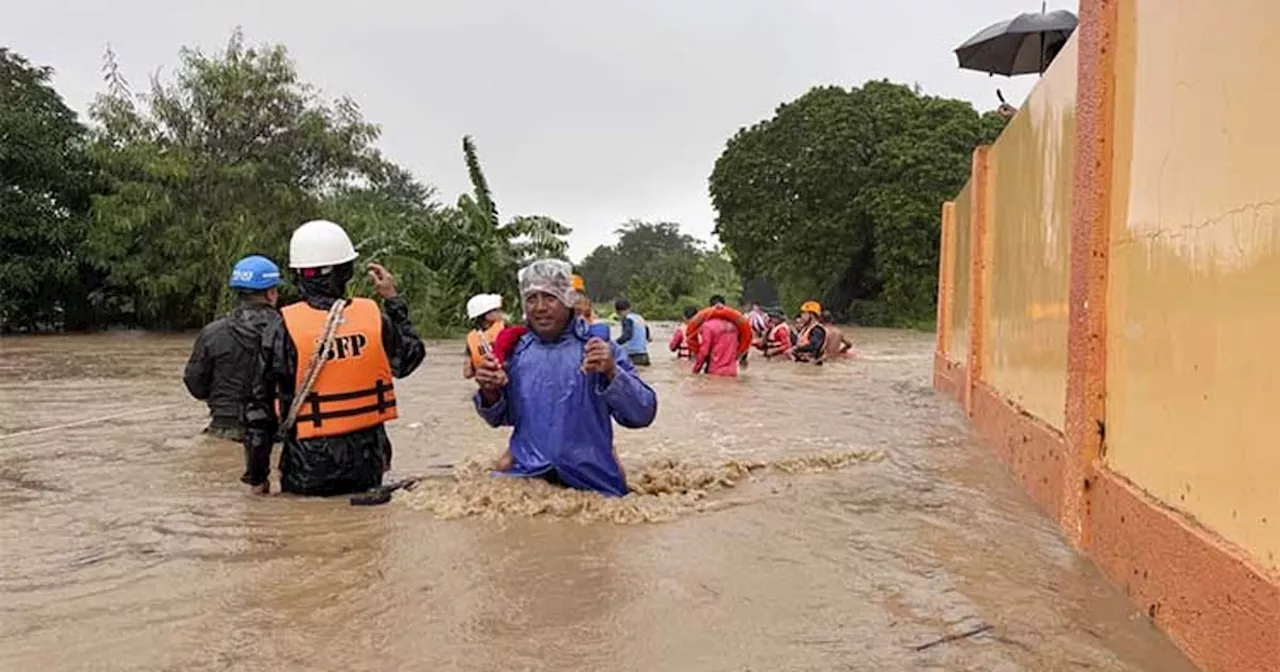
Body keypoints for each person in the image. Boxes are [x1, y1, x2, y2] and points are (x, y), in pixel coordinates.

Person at [241, 220, 425, 496]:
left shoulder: (282, 327)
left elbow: (259, 411)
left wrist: (257, 476)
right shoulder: (374, 316)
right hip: (369, 462)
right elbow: (409, 358)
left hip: (307, 466)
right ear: (347, 272)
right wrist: (393, 299)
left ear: (299, 275)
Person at [473, 259, 657, 497]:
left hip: (591, 479)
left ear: (568, 300)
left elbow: (643, 413)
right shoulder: (516, 352)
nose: (539, 307)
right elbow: (501, 418)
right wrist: (489, 392)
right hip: (527, 476)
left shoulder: (598, 348)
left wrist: (612, 372)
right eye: (531, 299)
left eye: (550, 297)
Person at [183, 255, 283, 441]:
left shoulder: (212, 332)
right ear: (270, 293)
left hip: (223, 427)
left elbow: (195, 383)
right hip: (272, 429)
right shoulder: (289, 330)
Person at [692, 305, 742, 377]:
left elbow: (704, 351)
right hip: (732, 372)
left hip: (715, 372)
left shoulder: (708, 326)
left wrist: (695, 370)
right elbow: (742, 346)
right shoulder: (735, 326)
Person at [463, 293, 505, 379]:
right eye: (496, 310)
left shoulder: (472, 338)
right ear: (487, 315)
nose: (500, 313)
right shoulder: (505, 330)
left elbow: (467, 373)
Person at [614, 298, 651, 367]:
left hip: (633, 356)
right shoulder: (639, 317)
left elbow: (627, 336)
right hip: (644, 355)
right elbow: (647, 332)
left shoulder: (627, 319)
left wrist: (613, 344)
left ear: (618, 312)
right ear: (629, 308)